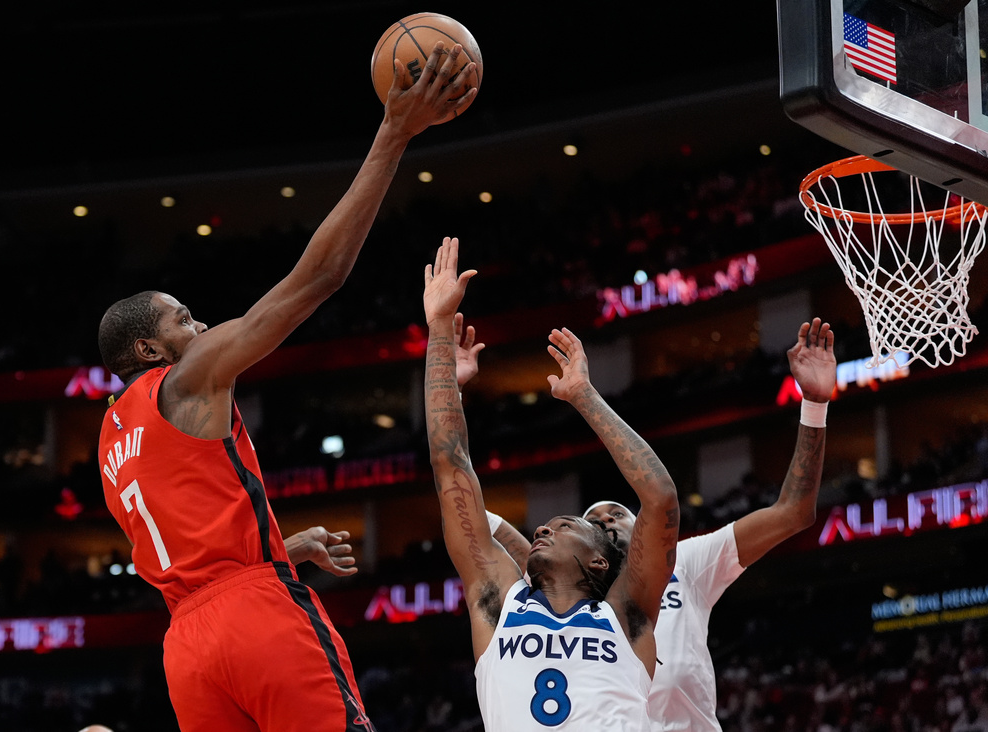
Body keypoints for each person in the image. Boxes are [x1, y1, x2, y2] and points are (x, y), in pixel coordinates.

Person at [95, 44, 477, 732]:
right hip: (253, 617)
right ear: (149, 349)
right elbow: (316, 280)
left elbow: (184, 535)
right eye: (184, 319)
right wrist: (394, 134)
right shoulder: (184, 377)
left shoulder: (109, 436)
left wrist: (276, 546)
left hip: (185, 647)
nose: (202, 323)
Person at [464, 317, 836, 731]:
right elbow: (490, 528)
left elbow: (794, 512)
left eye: (617, 514)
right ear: (594, 558)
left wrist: (815, 403)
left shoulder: (687, 563)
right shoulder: (586, 607)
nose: (605, 522)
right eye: (593, 523)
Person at [423, 237, 680, 730]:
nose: (543, 528)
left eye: (565, 525)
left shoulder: (626, 615)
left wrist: (584, 396)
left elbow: (660, 497)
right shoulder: (498, 600)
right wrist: (437, 333)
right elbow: (451, 467)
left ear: (600, 559)